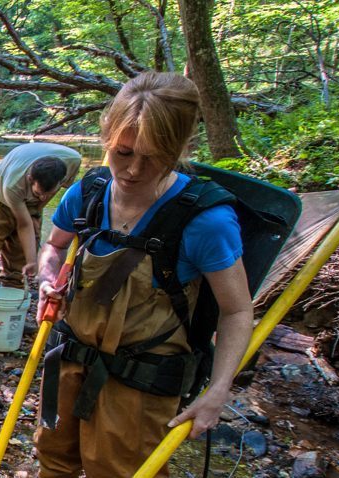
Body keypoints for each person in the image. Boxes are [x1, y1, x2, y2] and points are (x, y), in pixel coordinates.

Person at [33, 72, 253, 476]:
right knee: (53, 461)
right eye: (123, 152)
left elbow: (237, 311)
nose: (133, 170)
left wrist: (218, 390)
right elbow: (54, 246)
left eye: (153, 157)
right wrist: (49, 280)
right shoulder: (87, 193)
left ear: (182, 147)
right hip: (71, 358)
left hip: (144, 378)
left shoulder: (206, 221)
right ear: (106, 138)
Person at [0, 143, 81, 340]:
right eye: (39, 193)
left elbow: (34, 213)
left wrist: (29, 260)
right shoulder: (13, 183)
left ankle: (12, 316)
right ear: (30, 178)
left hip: (27, 206)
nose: (43, 197)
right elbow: (23, 225)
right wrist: (34, 259)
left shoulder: (72, 161)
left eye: (48, 194)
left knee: (20, 260)